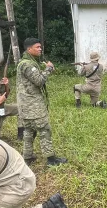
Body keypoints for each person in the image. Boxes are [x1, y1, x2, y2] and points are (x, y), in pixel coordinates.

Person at [16, 38, 68, 166]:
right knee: (44, 129)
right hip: (33, 104)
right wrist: (49, 69)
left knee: (28, 131)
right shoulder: (28, 64)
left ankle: (27, 157)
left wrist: (45, 70)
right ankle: (51, 159)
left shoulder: (26, 62)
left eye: (40, 47)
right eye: (37, 47)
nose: (40, 49)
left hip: (25, 104)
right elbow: (39, 81)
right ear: (29, 49)